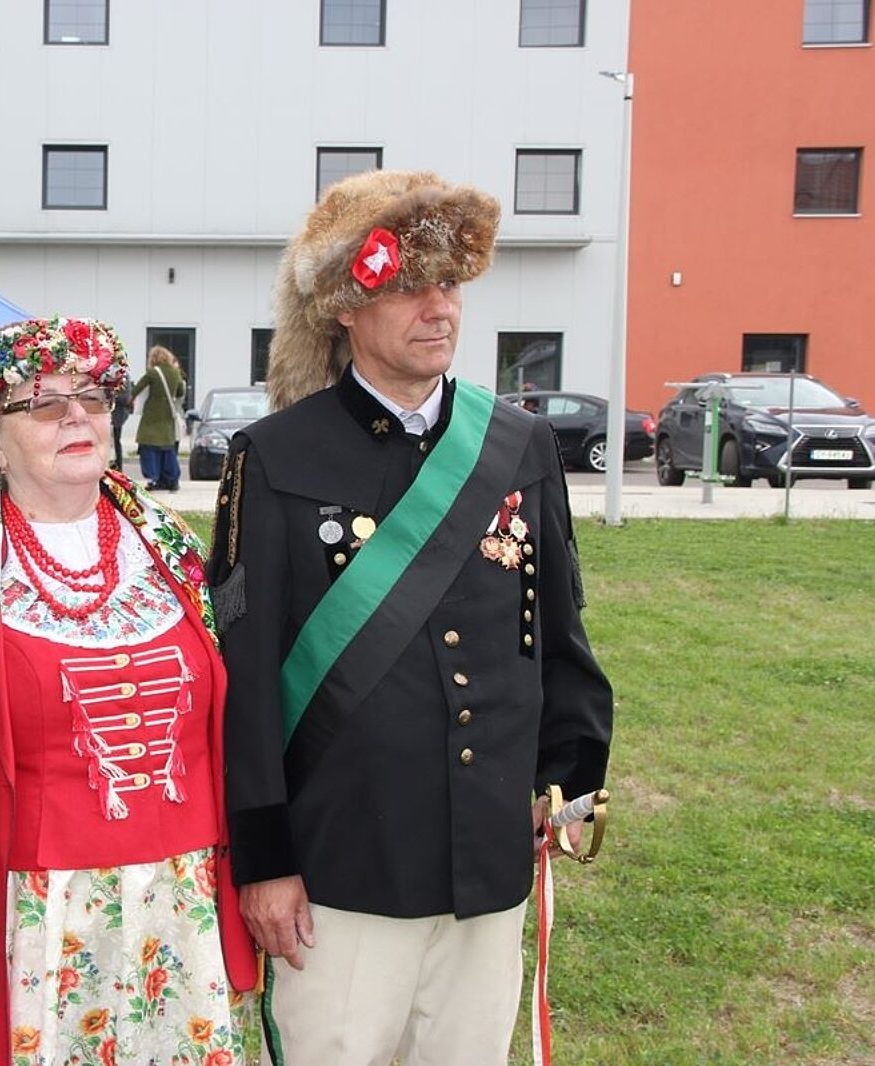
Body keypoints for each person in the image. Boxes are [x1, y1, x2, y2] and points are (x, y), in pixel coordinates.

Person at [206, 169, 614, 1066]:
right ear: (346, 307)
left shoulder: (518, 443)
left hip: (487, 857)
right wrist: (265, 859)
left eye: (450, 285)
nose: (438, 309)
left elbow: (557, 633)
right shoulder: (273, 456)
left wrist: (569, 777)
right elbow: (245, 679)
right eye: (407, 288)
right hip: (345, 868)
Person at [0, 317, 259, 1066]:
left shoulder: (172, 548)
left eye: (91, 397)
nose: (77, 417)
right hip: (44, 919)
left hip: (181, 900)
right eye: (45, 404)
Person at [130, 345, 185, 491]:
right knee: (168, 450)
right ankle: (172, 480)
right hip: (168, 417)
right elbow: (181, 392)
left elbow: (136, 390)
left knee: (148, 448)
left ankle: (153, 479)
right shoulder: (175, 373)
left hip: (152, 417)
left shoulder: (152, 373)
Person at [108, 377, 133, 470]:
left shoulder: (123, 376)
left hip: (116, 416)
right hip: (106, 416)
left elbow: (126, 398)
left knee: (115, 443)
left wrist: (110, 394)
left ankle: (117, 468)